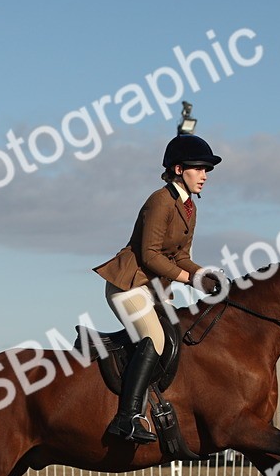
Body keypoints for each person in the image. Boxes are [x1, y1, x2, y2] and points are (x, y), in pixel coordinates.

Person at [93, 134, 225, 443]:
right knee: (155, 337)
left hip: (152, 290)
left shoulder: (189, 207)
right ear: (179, 169)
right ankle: (126, 419)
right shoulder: (159, 201)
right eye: (199, 169)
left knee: (178, 334)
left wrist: (205, 275)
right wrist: (189, 279)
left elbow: (180, 257)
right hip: (128, 286)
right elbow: (150, 255)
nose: (205, 176)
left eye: (207, 170)